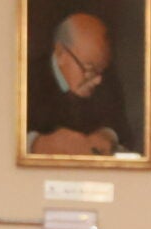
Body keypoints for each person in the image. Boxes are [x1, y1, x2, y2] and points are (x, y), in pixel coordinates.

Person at [26, 13, 133, 157]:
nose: (97, 80)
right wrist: (36, 143)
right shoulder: (28, 78)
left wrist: (107, 135)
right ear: (61, 53)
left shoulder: (107, 77)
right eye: (89, 69)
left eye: (101, 69)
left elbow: (123, 128)